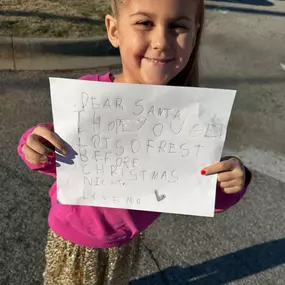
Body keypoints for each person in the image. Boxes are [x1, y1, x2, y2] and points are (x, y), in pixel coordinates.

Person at [17, 0, 252, 284]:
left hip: (126, 242)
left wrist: (231, 182)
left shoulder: (190, 119)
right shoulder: (90, 94)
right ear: (114, 30)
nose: (161, 42)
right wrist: (34, 146)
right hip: (73, 240)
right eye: (145, 23)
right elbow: (54, 152)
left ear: (194, 36)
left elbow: (198, 192)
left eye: (178, 26)